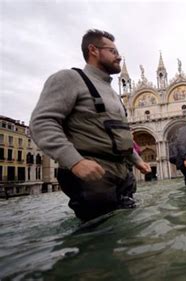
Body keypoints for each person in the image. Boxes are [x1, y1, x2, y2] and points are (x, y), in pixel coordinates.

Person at [30, 29, 151, 222]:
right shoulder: (69, 79)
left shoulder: (111, 92)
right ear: (93, 50)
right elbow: (41, 122)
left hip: (122, 176)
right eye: (112, 51)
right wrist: (74, 161)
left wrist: (135, 159)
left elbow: (116, 133)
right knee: (101, 238)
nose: (119, 56)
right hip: (92, 177)